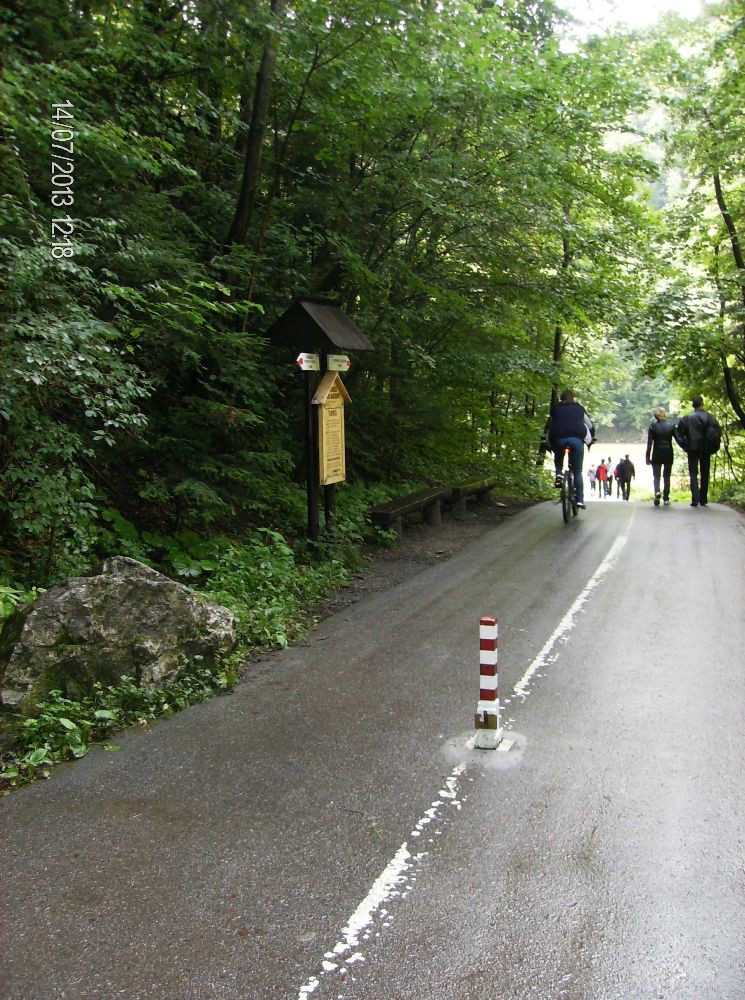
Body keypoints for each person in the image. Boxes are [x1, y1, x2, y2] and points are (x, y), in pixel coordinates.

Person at [546, 389, 595, 509]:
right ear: (572, 398)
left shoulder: (556, 409)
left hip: (559, 439)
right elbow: (590, 425)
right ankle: (580, 500)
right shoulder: (579, 408)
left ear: (561, 399)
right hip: (576, 440)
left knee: (559, 457)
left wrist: (548, 443)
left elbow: (550, 427)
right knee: (577, 471)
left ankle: (558, 474)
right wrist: (592, 437)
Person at [674, 395, 722, 507]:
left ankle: (695, 499)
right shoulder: (710, 417)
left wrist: (684, 445)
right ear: (702, 404)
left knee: (693, 473)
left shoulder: (687, 418)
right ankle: (703, 499)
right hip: (706, 448)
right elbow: (717, 432)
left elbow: (679, 434)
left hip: (692, 448)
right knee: (705, 473)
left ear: (693, 405)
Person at [646, 406, 677, 506]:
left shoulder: (653, 426)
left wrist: (647, 457)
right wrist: (687, 446)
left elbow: (649, 443)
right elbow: (678, 439)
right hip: (668, 452)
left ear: (656, 416)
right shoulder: (671, 426)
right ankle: (666, 498)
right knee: (667, 476)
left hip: (657, 453)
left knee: (656, 476)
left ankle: (657, 492)